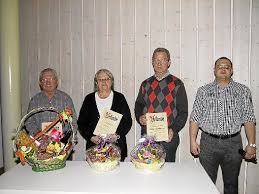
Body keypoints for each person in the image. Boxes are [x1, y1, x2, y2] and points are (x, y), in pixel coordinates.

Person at [189, 57, 256, 194]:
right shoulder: (203, 91)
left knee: (231, 185)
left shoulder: (243, 91)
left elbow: (249, 119)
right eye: (220, 66)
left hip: (233, 144)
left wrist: (252, 144)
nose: (223, 68)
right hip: (208, 143)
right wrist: (192, 141)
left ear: (231, 71)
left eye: (227, 66)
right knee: (205, 185)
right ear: (214, 70)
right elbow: (195, 118)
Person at [134, 47, 188, 162]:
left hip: (168, 138)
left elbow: (183, 112)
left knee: (167, 174)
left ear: (168, 62)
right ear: (152, 62)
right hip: (147, 136)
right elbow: (138, 105)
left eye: (163, 59)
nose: (159, 63)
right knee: (147, 171)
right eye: (156, 60)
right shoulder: (145, 84)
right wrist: (140, 117)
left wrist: (173, 129)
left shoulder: (177, 84)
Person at [77, 69, 132, 161]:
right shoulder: (89, 99)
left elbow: (127, 121)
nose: (104, 82)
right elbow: (82, 123)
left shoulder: (119, 98)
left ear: (111, 82)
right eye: (100, 79)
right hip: (94, 148)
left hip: (116, 147)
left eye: (107, 79)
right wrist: (91, 137)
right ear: (96, 82)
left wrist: (117, 135)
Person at [25, 68, 78, 144]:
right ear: (40, 83)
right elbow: (29, 122)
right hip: (40, 144)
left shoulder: (66, 99)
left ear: (56, 81)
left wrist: (66, 138)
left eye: (51, 79)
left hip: (62, 144)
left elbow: (73, 122)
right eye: (44, 79)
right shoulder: (34, 101)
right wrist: (38, 134)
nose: (48, 82)